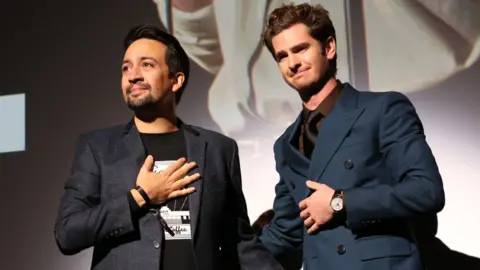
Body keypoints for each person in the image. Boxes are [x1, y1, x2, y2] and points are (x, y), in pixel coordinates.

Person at [54, 24, 283, 270]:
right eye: (126, 67)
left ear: (176, 80)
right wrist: (139, 197)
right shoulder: (98, 148)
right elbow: (67, 233)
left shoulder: (218, 149)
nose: (133, 75)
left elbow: (240, 242)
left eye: (147, 65)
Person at [257, 3, 445, 270]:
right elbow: (284, 231)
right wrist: (215, 254)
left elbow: (426, 191)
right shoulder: (285, 145)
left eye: (301, 49)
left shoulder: (382, 109)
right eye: (282, 56)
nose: (293, 63)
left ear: (329, 47)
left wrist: (340, 202)